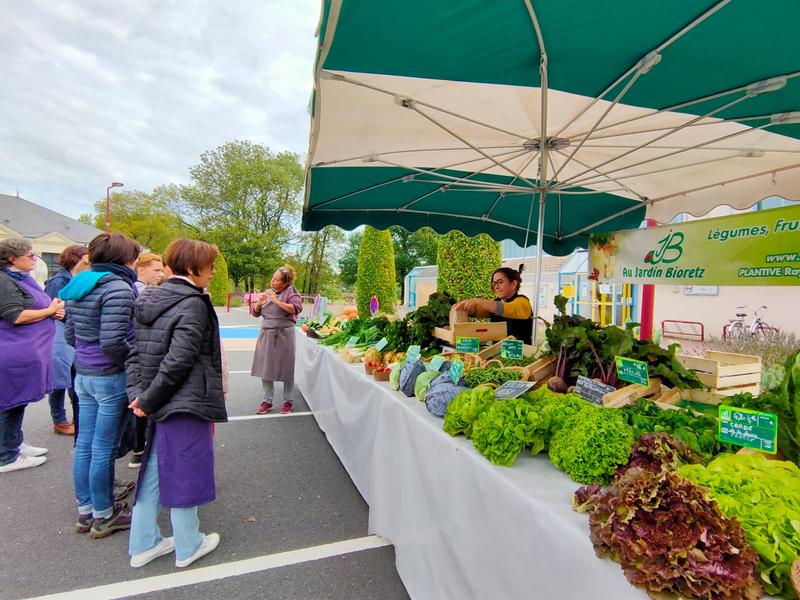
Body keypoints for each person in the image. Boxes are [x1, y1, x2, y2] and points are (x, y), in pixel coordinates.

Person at [126, 238, 227, 569]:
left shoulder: (149, 296)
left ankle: (144, 543)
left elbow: (135, 353)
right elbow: (179, 359)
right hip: (185, 401)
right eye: (210, 266)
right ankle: (188, 545)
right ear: (192, 267)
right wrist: (148, 398)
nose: (213, 272)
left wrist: (140, 397)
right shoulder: (194, 302)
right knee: (185, 470)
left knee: (153, 472)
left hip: (155, 400)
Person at [60, 232, 140, 538]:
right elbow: (113, 341)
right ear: (124, 258)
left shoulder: (80, 283)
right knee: (103, 447)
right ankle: (105, 514)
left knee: (84, 445)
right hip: (109, 375)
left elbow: (70, 335)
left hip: (83, 373)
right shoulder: (119, 289)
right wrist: (134, 359)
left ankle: (86, 511)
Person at [0, 238, 61, 473]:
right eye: (30, 255)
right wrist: (50, 310)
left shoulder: (20, 278)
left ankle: (14, 443)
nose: (35, 259)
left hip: (26, 350)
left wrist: (51, 312)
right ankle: (7, 455)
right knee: (10, 402)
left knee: (18, 400)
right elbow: (15, 315)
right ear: (12, 258)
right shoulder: (5, 281)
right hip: (13, 351)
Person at [44, 244, 89, 437]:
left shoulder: (72, 278)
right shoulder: (59, 280)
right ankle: (59, 420)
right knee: (60, 380)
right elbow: (55, 309)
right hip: (61, 336)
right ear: (77, 258)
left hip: (71, 334)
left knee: (70, 378)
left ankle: (72, 418)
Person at [128, 252, 165, 468]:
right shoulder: (137, 292)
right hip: (141, 356)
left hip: (139, 355)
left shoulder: (149, 291)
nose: (161, 274)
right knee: (142, 402)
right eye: (157, 269)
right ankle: (141, 449)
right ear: (140, 269)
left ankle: (139, 448)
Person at [250, 266, 303, 414]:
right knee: (265, 368)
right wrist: (259, 303)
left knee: (286, 368)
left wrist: (275, 300)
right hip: (266, 334)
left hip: (284, 334)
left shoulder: (291, 292)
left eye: (276, 279)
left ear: (285, 283)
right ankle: (267, 401)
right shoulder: (269, 292)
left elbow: (296, 308)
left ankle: (288, 401)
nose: (272, 281)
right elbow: (255, 313)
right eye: (272, 278)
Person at [452, 266, 533, 344]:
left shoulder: (523, 301)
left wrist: (478, 301)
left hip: (520, 353)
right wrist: (468, 309)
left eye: (500, 282)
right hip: (496, 352)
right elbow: (482, 311)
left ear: (513, 284)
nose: (496, 287)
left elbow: (509, 308)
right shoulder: (496, 302)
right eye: (494, 284)